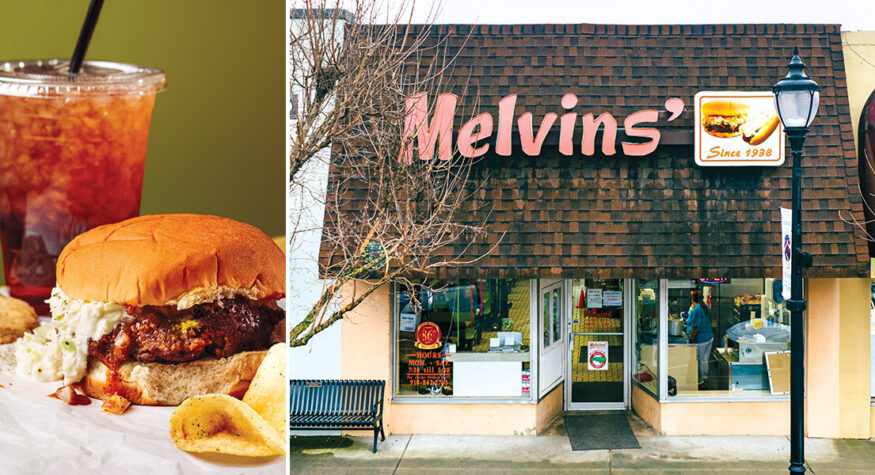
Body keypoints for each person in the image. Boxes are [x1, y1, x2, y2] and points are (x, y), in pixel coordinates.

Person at [686, 290, 713, 390]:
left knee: (701, 361)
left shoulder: (697, 309)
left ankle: (701, 381)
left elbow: (695, 327)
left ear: (693, 299)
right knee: (705, 360)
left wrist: (690, 338)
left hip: (701, 339)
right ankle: (705, 378)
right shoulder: (706, 307)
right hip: (709, 337)